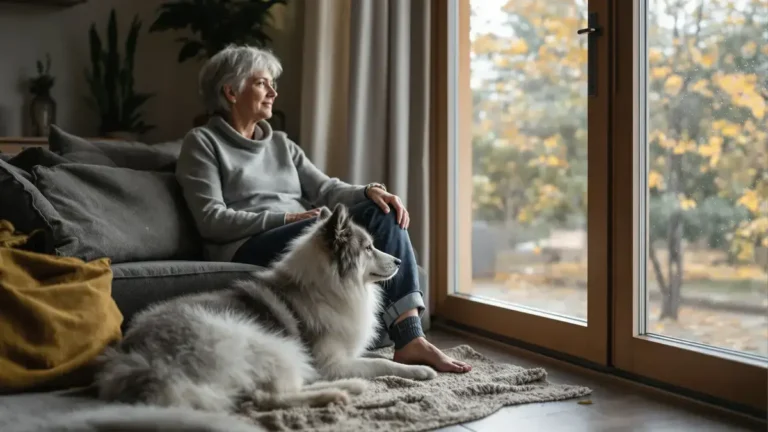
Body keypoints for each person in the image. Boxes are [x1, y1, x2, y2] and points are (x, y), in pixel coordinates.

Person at [175, 44, 471, 373]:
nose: (273, 92)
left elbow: (326, 189)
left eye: (273, 84)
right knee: (321, 230)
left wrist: (369, 191)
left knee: (380, 211)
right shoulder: (202, 143)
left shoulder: (282, 144)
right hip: (247, 243)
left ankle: (411, 339)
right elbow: (211, 220)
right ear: (230, 92)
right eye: (261, 83)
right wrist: (288, 217)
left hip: (301, 231)